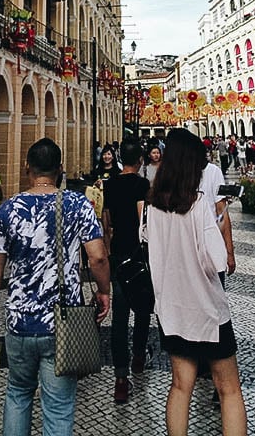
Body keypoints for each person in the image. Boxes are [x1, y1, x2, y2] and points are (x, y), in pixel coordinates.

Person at [0, 138, 110, 436]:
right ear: (60, 169)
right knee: (59, 407)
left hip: (20, 322)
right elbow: (98, 257)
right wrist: (104, 291)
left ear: (28, 167)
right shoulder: (77, 204)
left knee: (17, 394)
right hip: (62, 325)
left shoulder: (8, 209)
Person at [146, 129, 246, 436]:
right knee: (228, 388)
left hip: (172, 309)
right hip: (207, 311)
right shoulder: (200, 205)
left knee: (180, 385)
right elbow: (215, 261)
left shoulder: (152, 207)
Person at [105, 137, 152, 403]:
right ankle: (138, 357)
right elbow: (142, 220)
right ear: (140, 160)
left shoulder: (110, 185)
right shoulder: (142, 185)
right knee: (143, 307)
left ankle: (121, 379)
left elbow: (107, 221)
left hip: (118, 254)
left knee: (120, 317)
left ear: (121, 158)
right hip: (138, 255)